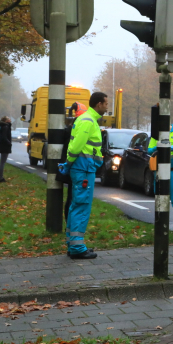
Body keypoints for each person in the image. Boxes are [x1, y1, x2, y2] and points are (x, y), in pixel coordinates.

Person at [60, 92, 107, 260]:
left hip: (81, 168)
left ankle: (73, 244)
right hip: (84, 169)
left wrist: (69, 164)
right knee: (81, 205)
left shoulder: (85, 119)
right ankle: (78, 247)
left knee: (75, 205)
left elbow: (75, 144)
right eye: (106, 104)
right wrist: (70, 161)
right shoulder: (88, 121)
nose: (107, 107)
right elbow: (77, 145)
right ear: (99, 104)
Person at [62, 102, 88, 224]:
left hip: (73, 167)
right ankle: (71, 224)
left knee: (72, 197)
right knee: (74, 198)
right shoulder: (74, 130)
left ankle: (70, 223)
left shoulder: (68, 129)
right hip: (76, 167)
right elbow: (75, 149)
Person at [0, 116, 12, 182]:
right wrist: (9, 143)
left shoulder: (3, 126)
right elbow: (4, 137)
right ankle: (0, 178)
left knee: (2, 162)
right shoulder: (5, 127)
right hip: (4, 146)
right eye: (8, 118)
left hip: (3, 145)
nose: (10, 119)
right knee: (2, 162)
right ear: (6, 121)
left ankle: (1, 177)